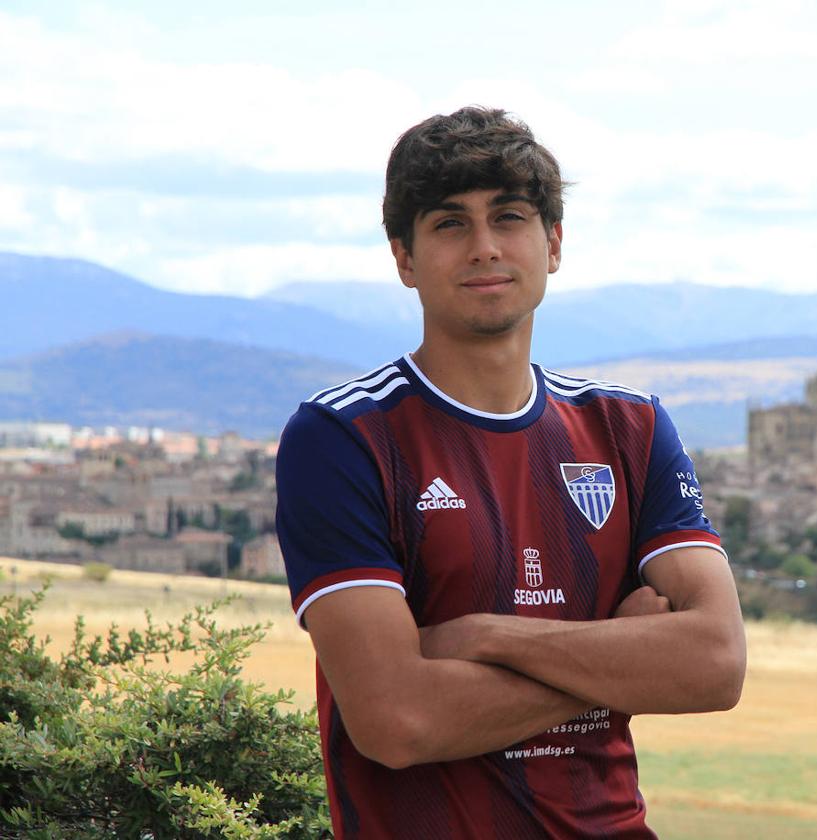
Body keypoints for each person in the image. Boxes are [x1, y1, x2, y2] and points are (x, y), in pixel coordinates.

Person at [276, 106, 746, 839]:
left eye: (510, 217)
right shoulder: (343, 437)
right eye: (449, 224)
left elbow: (715, 665)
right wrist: (614, 654)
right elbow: (398, 721)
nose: (485, 248)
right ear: (404, 258)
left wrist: (490, 637)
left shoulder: (630, 428)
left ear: (552, 243)